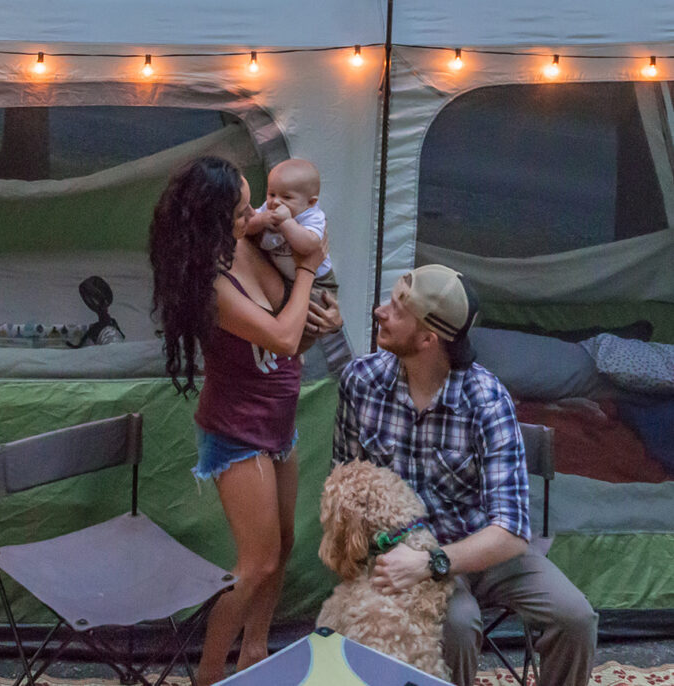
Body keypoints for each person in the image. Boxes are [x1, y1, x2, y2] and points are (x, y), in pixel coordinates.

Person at [332, 264, 598, 686]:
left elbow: (510, 531)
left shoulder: (486, 398)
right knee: (456, 624)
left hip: (483, 548)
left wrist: (431, 562)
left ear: (427, 338)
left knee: (577, 617)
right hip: (403, 551)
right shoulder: (360, 383)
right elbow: (345, 488)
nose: (381, 312)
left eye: (399, 309)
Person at [149, 156, 342, 686]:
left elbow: (290, 342)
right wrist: (308, 269)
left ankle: (253, 657)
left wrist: (323, 326)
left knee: (281, 550)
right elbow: (278, 337)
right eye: (241, 209)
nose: (257, 213)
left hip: (279, 420)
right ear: (213, 219)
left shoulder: (254, 244)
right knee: (255, 563)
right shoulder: (209, 283)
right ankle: (208, 676)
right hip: (236, 431)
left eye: (252, 201)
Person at [245, 158, 338, 305]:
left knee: (316, 315)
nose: (276, 202)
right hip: (286, 278)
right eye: (272, 194)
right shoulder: (268, 209)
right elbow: (247, 227)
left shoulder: (311, 216)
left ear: (310, 202)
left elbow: (308, 246)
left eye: (286, 197)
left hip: (318, 281)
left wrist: (287, 222)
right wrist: (261, 219)